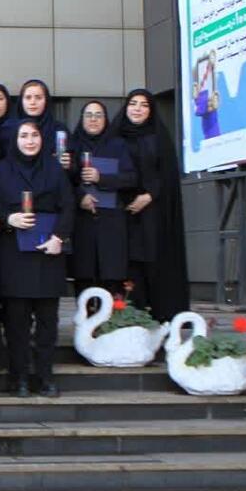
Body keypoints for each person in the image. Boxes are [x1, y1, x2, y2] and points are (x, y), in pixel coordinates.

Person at [0, 121, 75, 398]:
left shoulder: (54, 169)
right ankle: (19, 377)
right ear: (15, 140)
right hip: (14, 254)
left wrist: (59, 238)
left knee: (47, 322)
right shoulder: (2, 169)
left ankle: (45, 376)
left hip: (48, 252)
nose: (29, 141)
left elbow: (68, 206)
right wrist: (8, 218)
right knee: (16, 322)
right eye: (24, 136)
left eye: (34, 135)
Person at [107, 88, 189, 321]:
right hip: (121, 212)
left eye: (144, 105)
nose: (138, 109)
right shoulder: (113, 136)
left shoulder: (159, 138)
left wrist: (150, 195)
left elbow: (168, 175)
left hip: (153, 212)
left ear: (150, 110)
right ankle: (126, 319)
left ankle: (161, 319)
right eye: (133, 103)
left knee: (153, 261)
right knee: (127, 264)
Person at [67, 101, 137, 296]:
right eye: (89, 115)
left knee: (111, 281)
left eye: (98, 115)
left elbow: (131, 178)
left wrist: (101, 178)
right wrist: (80, 197)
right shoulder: (73, 145)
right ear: (82, 119)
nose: (93, 119)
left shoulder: (118, 145)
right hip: (82, 223)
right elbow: (63, 182)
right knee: (84, 281)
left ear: (106, 120)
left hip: (111, 223)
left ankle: (112, 315)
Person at [15, 79, 69, 158]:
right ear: (21, 101)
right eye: (28, 97)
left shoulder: (59, 129)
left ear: (46, 101)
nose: (33, 102)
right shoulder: (11, 129)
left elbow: (73, 159)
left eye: (38, 98)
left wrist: (68, 162)